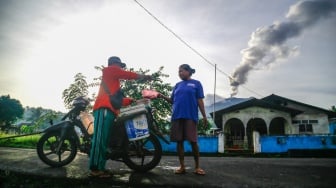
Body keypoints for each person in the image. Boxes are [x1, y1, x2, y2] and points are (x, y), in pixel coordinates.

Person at [89, 56, 151, 178]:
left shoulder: (113, 82)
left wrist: (134, 100)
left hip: (110, 111)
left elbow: (118, 101)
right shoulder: (109, 70)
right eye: (119, 66)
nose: (120, 69)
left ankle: (100, 168)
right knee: (100, 140)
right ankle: (95, 169)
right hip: (103, 109)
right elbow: (127, 75)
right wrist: (143, 76)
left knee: (105, 142)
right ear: (114, 64)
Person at [158, 64, 207, 175]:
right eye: (178, 71)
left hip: (190, 116)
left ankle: (197, 167)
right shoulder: (177, 85)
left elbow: (200, 101)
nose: (179, 73)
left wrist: (204, 116)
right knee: (179, 142)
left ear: (188, 71)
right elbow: (172, 100)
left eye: (182, 71)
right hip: (177, 116)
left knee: (193, 142)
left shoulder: (196, 84)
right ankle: (182, 167)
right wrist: (161, 96)